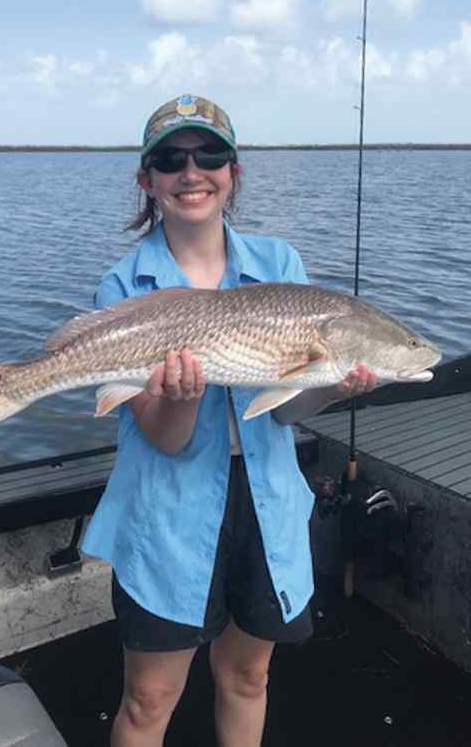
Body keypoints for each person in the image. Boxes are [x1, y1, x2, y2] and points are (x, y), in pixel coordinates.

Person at [81, 94, 377, 747]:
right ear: (146, 179)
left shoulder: (280, 268)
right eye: (170, 158)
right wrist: (182, 394)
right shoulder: (124, 286)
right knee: (149, 697)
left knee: (248, 676)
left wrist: (334, 388)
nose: (192, 172)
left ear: (234, 171)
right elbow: (165, 436)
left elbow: (289, 408)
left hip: (267, 500)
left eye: (210, 153)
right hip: (167, 509)